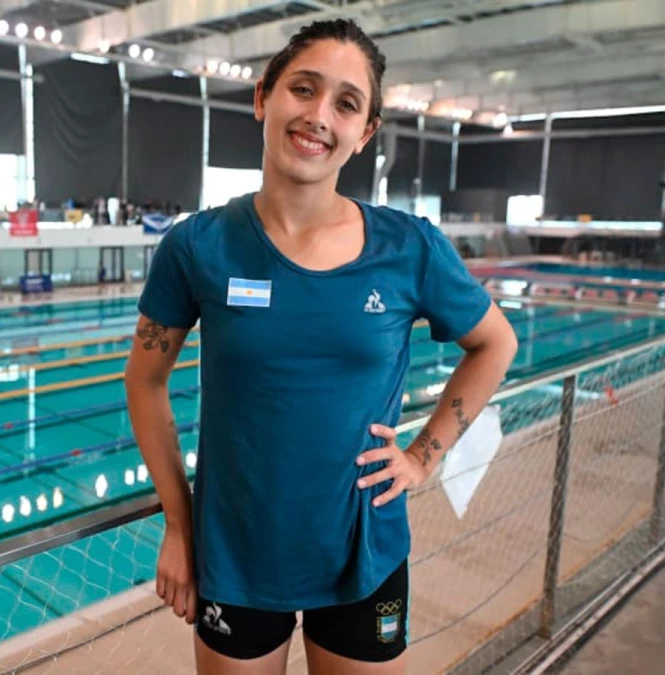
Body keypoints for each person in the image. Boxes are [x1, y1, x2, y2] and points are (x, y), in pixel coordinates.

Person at [124, 19, 519, 675]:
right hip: (236, 555)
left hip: (365, 551)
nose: (318, 116)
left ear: (364, 134)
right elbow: (144, 381)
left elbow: (495, 343)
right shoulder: (198, 246)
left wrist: (422, 456)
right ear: (263, 98)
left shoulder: (409, 247)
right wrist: (178, 523)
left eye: (345, 103)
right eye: (302, 89)